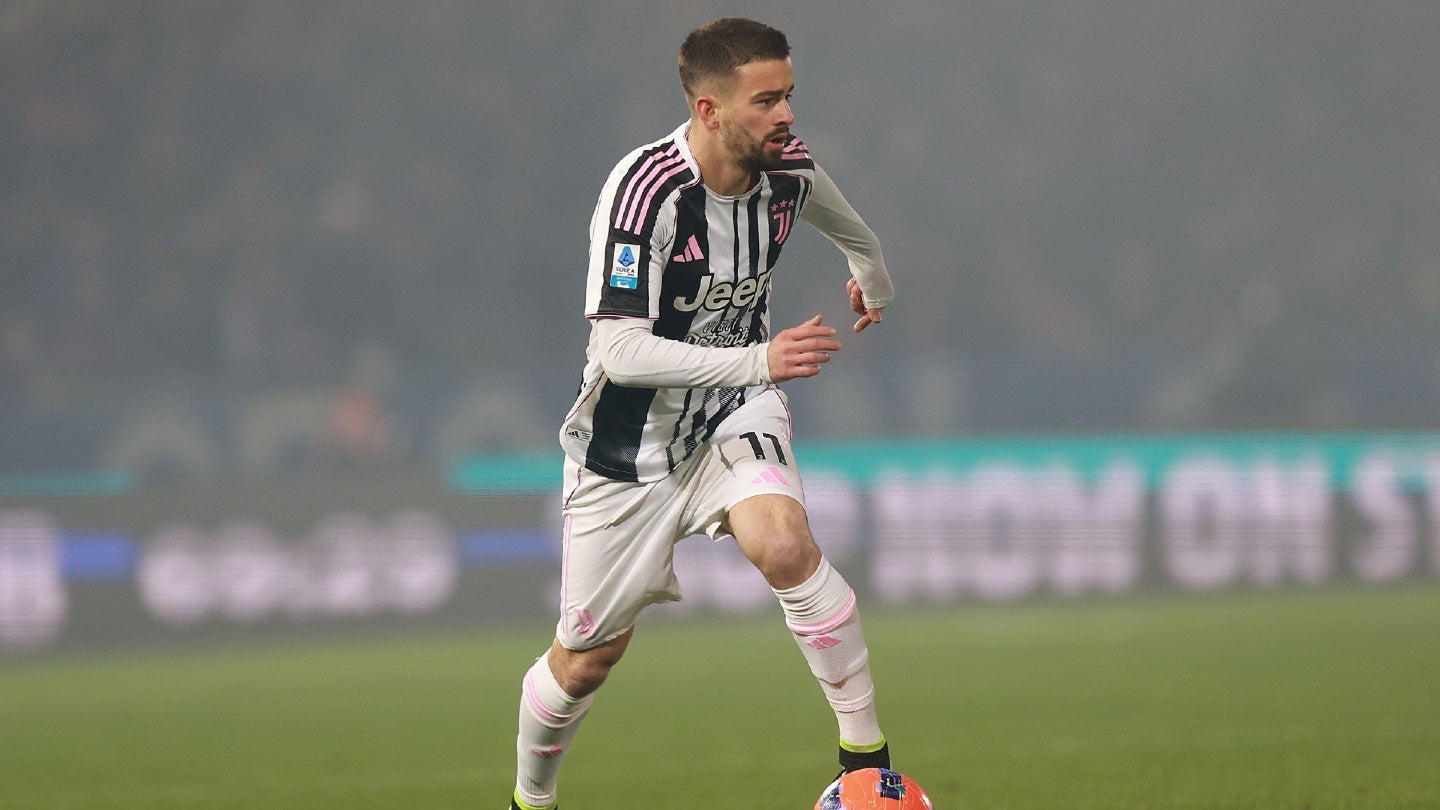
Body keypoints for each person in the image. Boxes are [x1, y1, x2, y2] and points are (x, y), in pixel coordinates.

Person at [508, 17, 895, 810]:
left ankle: (867, 765)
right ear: (710, 110)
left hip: (732, 411)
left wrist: (872, 275)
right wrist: (760, 359)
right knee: (585, 660)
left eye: (788, 95)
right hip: (629, 449)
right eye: (766, 101)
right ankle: (529, 801)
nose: (786, 115)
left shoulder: (785, 169)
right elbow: (620, 352)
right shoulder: (646, 193)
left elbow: (842, 219)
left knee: (784, 545)